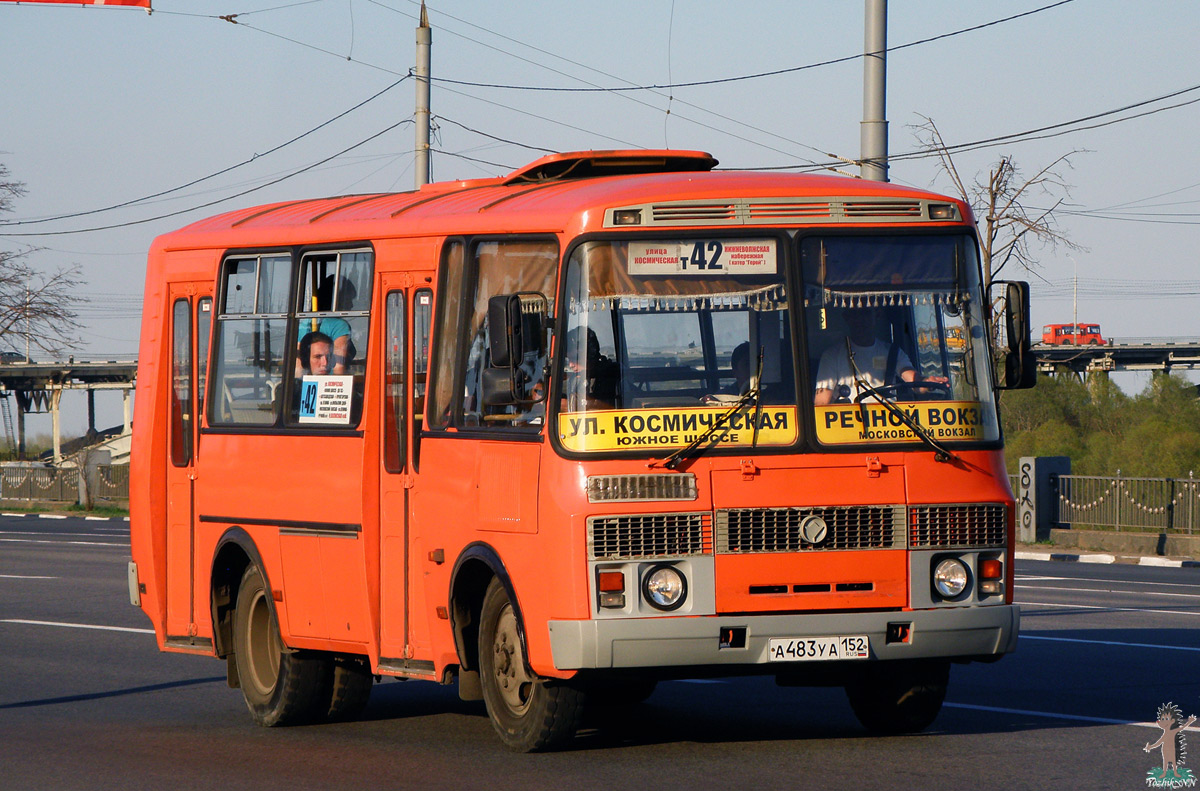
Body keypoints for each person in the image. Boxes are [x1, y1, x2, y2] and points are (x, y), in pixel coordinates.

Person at [814, 307, 922, 405]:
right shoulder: (832, 356)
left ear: (877, 315)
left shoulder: (893, 352)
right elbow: (822, 402)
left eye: (865, 313)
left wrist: (928, 383)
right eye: (854, 314)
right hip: (850, 424)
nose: (860, 320)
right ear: (847, 318)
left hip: (889, 422)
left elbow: (915, 382)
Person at [296, 275, 355, 375]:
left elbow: (298, 368)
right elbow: (338, 368)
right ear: (338, 299)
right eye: (349, 299)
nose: (351, 305)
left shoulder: (304, 323)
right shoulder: (340, 327)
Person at [562, 327, 619, 409]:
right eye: (569, 359)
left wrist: (577, 405)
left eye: (575, 359)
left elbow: (614, 407)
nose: (571, 365)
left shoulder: (613, 378)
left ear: (590, 355)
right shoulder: (576, 379)